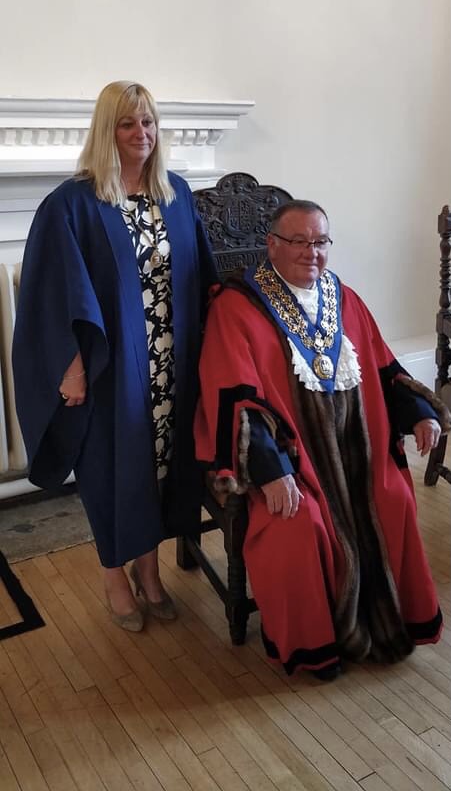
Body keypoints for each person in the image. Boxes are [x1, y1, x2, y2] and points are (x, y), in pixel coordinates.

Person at [194, 200, 448, 679]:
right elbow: (233, 395)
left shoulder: (343, 296)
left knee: (394, 498)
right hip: (294, 463)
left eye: (321, 242)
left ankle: (395, 621)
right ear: (272, 244)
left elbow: (382, 366)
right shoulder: (236, 306)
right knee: (296, 525)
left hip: (358, 454)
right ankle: (318, 645)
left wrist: (418, 414)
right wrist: (270, 470)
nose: (312, 252)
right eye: (299, 241)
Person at [13, 80, 217, 632]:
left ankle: (150, 571)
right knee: (108, 469)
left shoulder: (174, 193)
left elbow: (202, 280)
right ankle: (113, 575)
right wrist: (72, 368)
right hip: (112, 368)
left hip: (171, 364)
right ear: (108, 131)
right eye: (128, 123)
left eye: (148, 122)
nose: (141, 133)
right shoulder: (73, 204)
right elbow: (53, 295)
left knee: (158, 469)